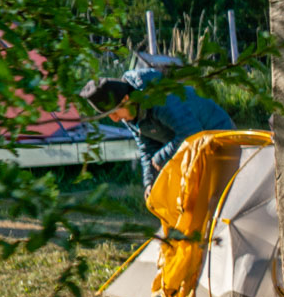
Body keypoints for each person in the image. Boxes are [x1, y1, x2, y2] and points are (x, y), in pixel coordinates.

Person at [80, 63, 234, 197]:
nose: (114, 119)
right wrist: (150, 181)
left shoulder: (160, 99)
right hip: (195, 148)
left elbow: (192, 133)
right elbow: (146, 147)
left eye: (114, 112)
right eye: (108, 115)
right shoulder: (129, 114)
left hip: (220, 136)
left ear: (126, 99)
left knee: (217, 196)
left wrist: (161, 157)